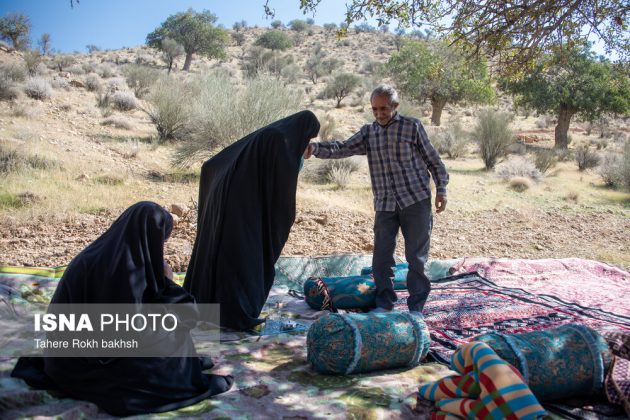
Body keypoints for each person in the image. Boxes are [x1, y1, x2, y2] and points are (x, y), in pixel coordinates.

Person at [11, 201, 233, 416]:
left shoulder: (93, 255)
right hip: (92, 369)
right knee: (176, 337)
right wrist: (168, 281)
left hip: (61, 364)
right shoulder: (131, 267)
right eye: (160, 242)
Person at [304, 85, 448, 314]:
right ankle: (385, 304)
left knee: (416, 259)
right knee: (381, 260)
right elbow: (342, 147)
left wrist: (441, 190)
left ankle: (416, 308)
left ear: (395, 106)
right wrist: (314, 148)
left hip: (416, 200)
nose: (379, 113)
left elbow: (434, 161)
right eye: (375, 109)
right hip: (385, 204)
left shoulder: (412, 127)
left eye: (384, 108)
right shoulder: (369, 133)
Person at [184, 111, 320, 331]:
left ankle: (215, 308)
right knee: (245, 259)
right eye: (308, 139)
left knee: (228, 255)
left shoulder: (271, 134)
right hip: (245, 211)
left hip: (236, 206)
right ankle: (234, 312)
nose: (307, 144)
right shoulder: (279, 140)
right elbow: (281, 190)